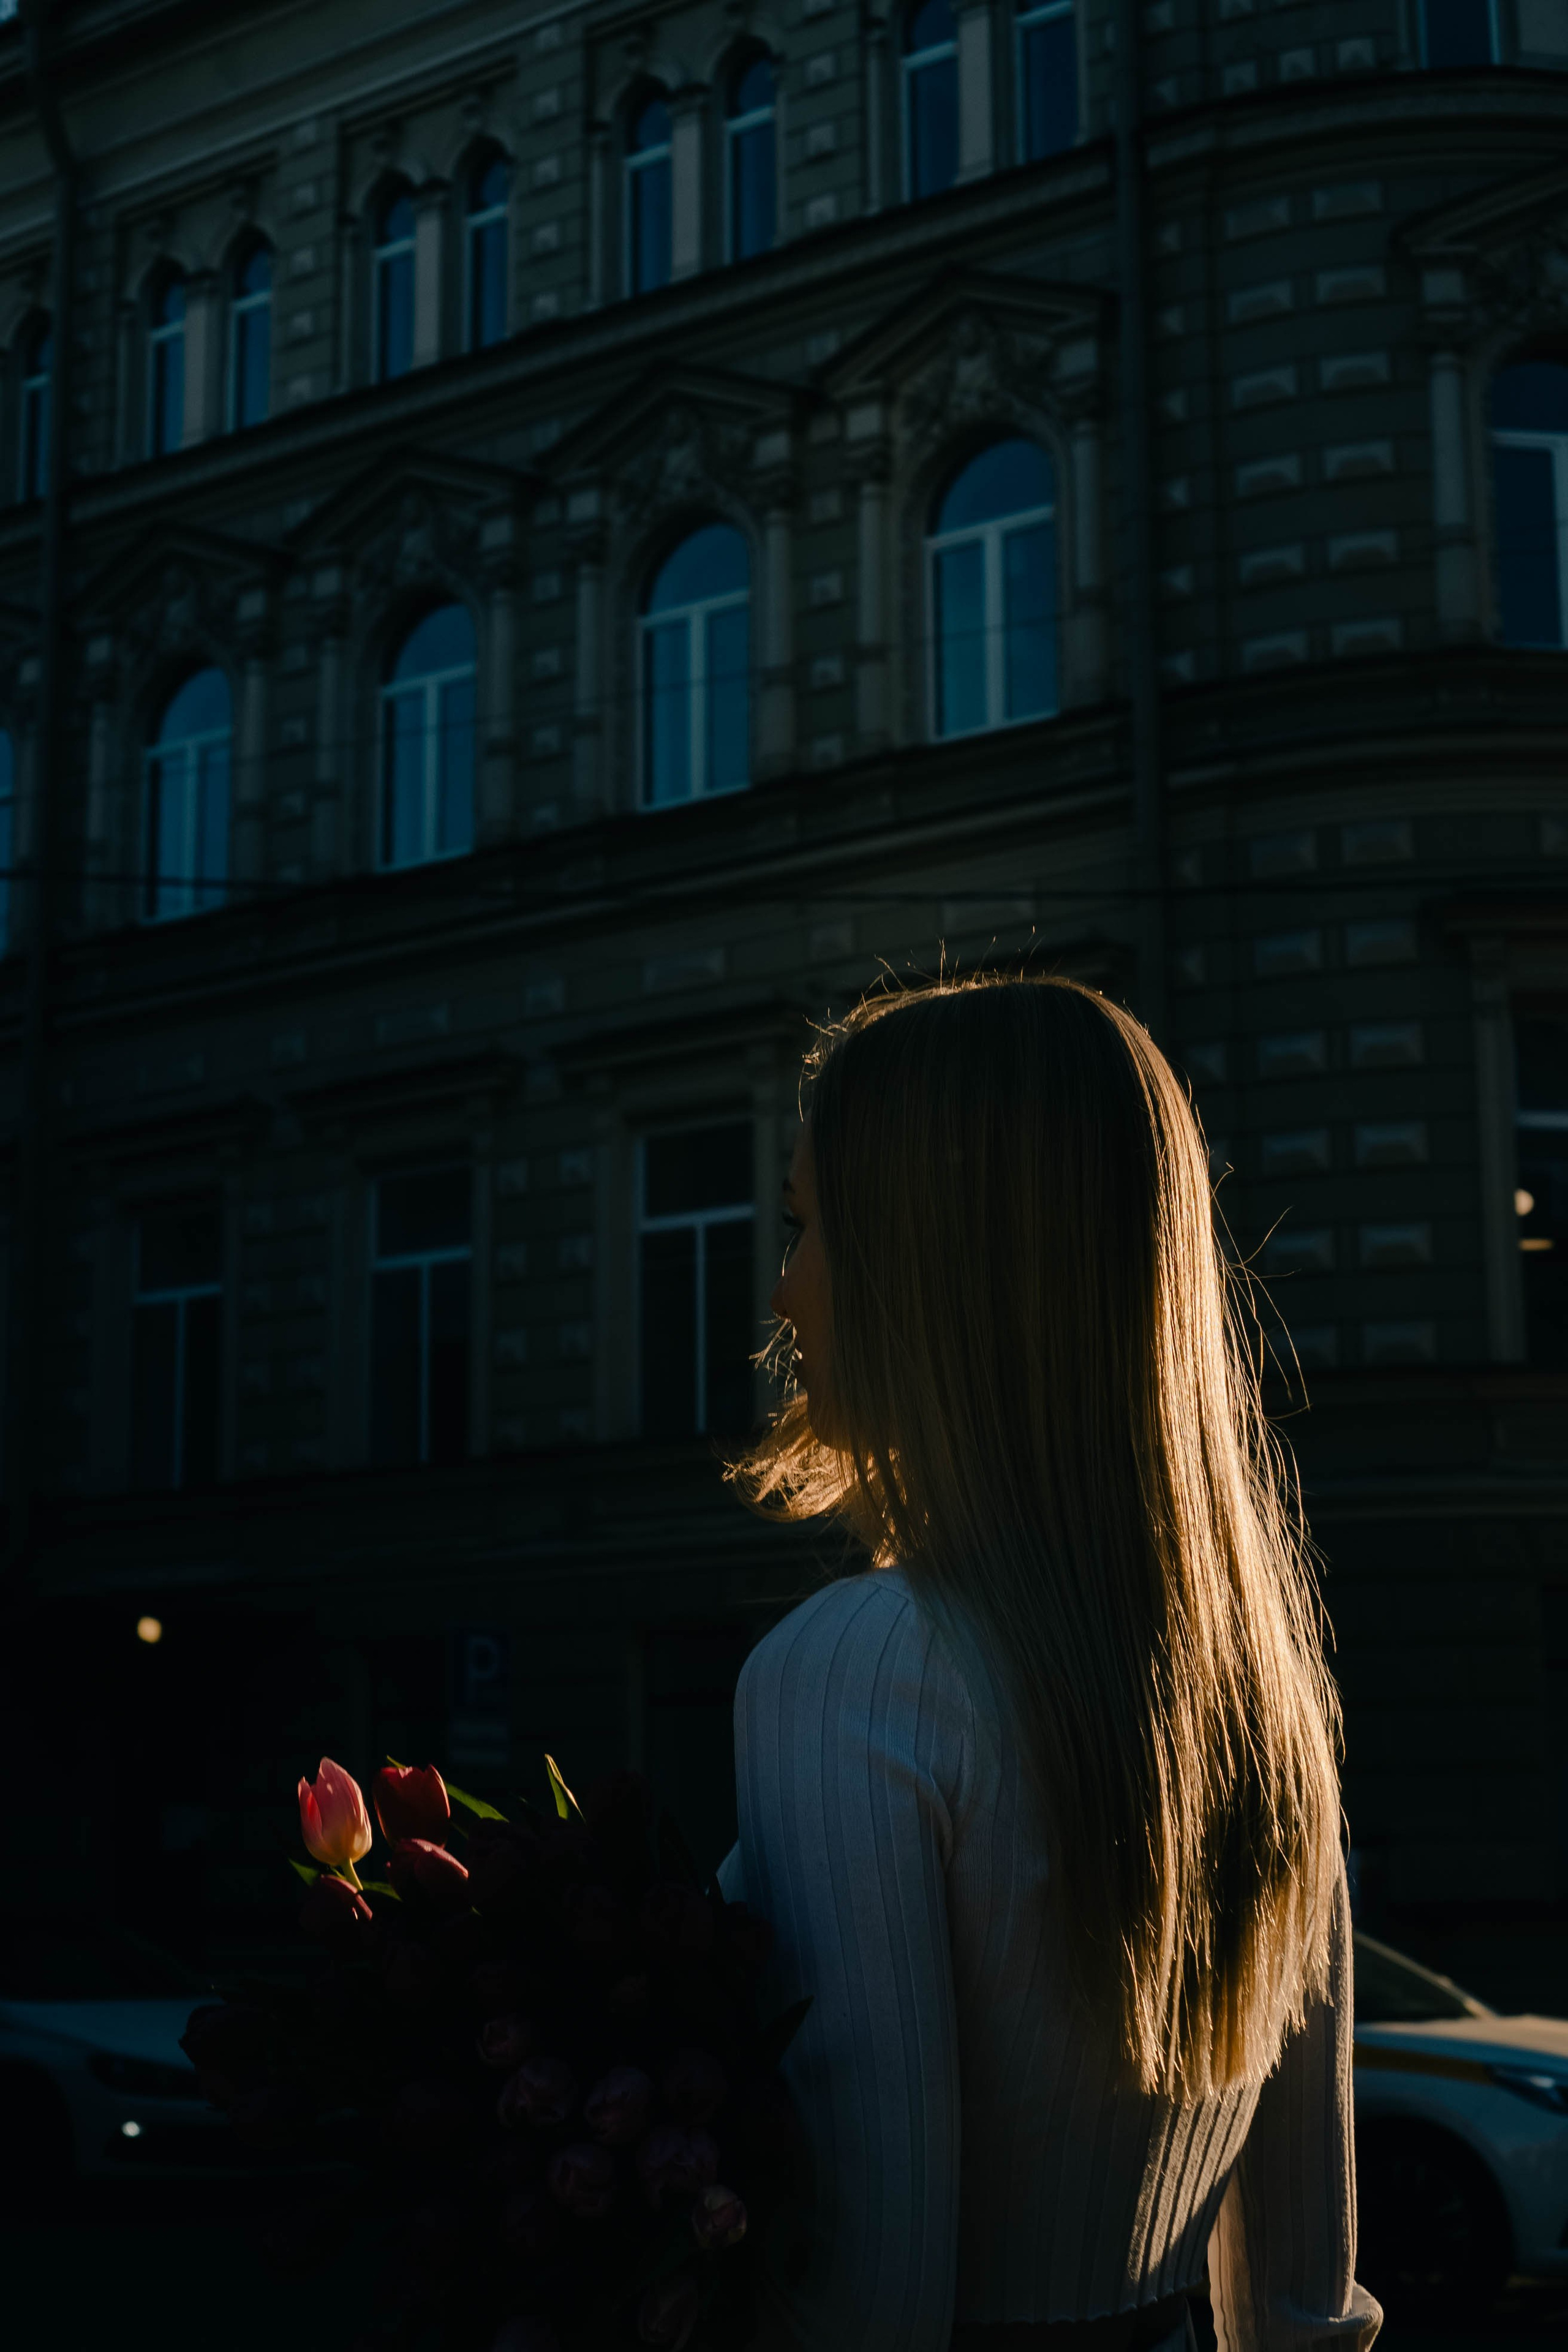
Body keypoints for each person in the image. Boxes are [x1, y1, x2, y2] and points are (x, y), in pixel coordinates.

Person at [717, 976, 1382, 2352]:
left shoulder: (853, 1672)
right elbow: (1303, 2303)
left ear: (936, 1268)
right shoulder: (1257, 1697)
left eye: (808, 1228)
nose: (784, 1292)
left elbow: (864, 2293)